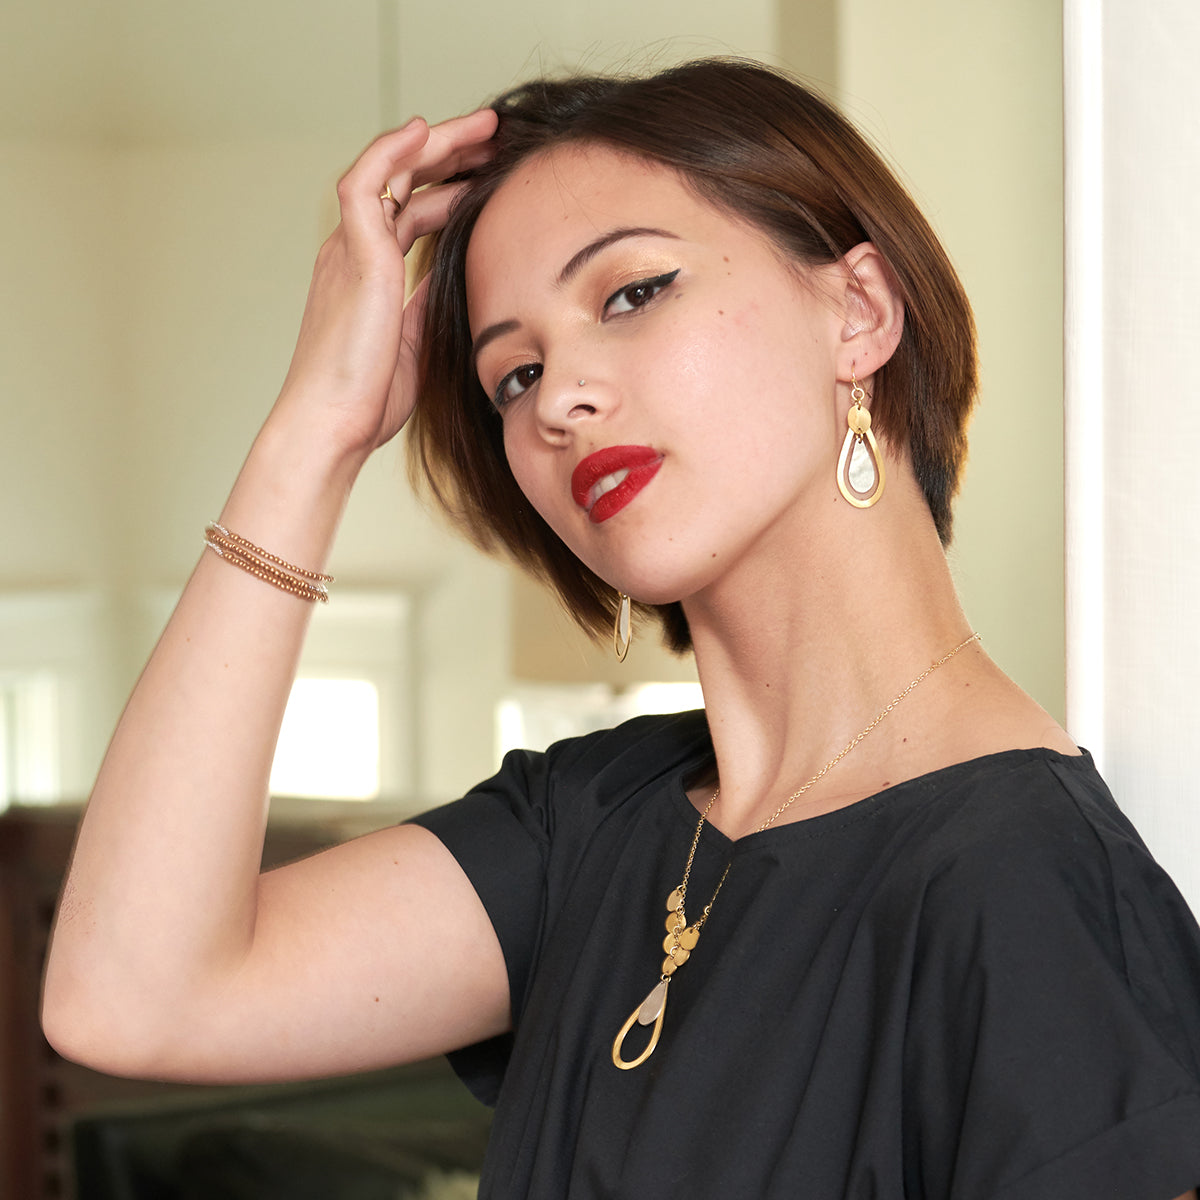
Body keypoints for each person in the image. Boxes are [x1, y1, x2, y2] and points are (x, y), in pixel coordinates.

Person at [41, 58, 1200, 1199]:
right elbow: (129, 995)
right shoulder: (586, 825)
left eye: (632, 293)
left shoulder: (1031, 893)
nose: (558, 398)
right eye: (513, 374)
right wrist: (317, 432)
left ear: (857, 310)